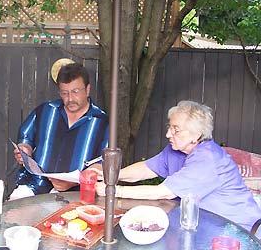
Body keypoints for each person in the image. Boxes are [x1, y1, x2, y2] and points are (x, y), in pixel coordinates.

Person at [96, 100, 261, 235]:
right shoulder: (177, 150)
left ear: (196, 135)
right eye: (170, 127)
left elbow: (163, 192)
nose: (168, 134)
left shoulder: (208, 159)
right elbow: (147, 168)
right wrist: (109, 174)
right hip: (204, 226)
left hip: (238, 232)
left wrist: (112, 190)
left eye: (176, 130)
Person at [10, 62, 109, 199]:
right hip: (33, 185)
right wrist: (24, 150)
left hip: (76, 193)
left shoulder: (102, 122)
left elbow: (103, 163)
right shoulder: (46, 110)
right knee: (13, 211)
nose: (70, 99)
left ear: (87, 89)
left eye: (75, 92)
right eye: (65, 93)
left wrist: (74, 181)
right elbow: (26, 138)